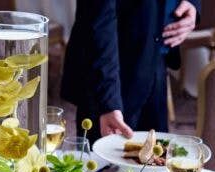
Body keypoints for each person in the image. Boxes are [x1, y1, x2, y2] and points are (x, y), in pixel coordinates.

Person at [61, 1, 201, 141]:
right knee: (103, 151)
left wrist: (192, 3)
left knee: (156, 150)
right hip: (110, 72)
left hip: (157, 59)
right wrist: (108, 103)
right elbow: (100, 22)